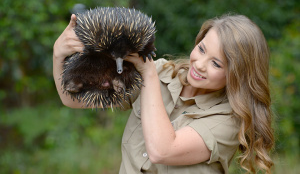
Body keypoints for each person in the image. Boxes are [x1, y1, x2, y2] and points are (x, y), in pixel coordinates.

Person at [53, 13, 274, 174]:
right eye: (202, 49)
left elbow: (162, 150)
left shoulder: (228, 120)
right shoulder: (160, 72)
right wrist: (58, 54)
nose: (200, 64)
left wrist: (147, 74)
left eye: (216, 63)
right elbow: (72, 100)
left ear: (237, 75)